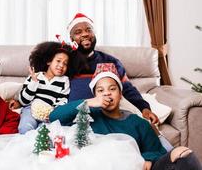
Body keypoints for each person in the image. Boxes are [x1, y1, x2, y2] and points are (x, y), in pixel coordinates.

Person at [49, 68, 202, 170]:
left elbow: (157, 152)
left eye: (112, 89)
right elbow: (54, 117)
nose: (107, 94)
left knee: (182, 153)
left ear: (120, 94)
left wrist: (142, 160)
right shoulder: (87, 118)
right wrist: (88, 103)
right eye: (100, 91)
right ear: (95, 95)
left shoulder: (137, 123)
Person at [67, 12, 159, 124]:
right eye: (78, 32)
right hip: (74, 118)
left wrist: (144, 108)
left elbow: (127, 88)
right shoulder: (65, 62)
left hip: (105, 118)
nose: (85, 34)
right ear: (71, 38)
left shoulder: (110, 61)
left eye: (89, 30)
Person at [9, 41, 85, 134]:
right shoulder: (35, 76)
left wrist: (53, 113)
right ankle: (27, 146)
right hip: (30, 109)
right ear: (49, 61)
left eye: (65, 64)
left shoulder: (64, 80)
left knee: (46, 132)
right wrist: (34, 82)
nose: (61, 65)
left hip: (48, 113)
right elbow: (23, 101)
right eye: (58, 61)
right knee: (25, 127)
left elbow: (62, 101)